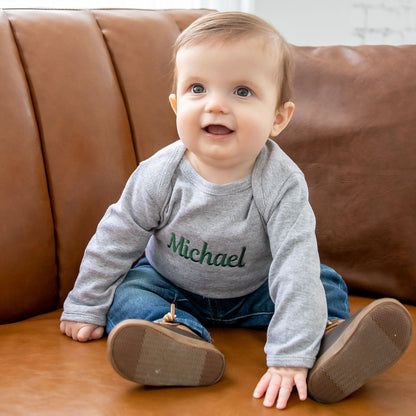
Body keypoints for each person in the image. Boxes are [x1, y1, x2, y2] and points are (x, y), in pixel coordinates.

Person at [60, 11, 412, 410]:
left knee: (320, 279)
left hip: (258, 293)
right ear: (176, 105)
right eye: (197, 88)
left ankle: (328, 339)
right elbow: (116, 237)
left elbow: (293, 261)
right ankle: (177, 341)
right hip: (172, 289)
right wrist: (86, 303)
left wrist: (288, 356)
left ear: (278, 117)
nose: (215, 105)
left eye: (241, 92)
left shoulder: (281, 182)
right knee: (131, 294)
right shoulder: (160, 174)